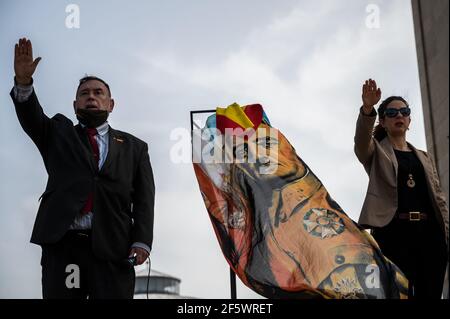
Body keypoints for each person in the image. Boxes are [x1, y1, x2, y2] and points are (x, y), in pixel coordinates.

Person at [194, 103, 408, 299]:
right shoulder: (259, 212)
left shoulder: (298, 178)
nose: (260, 154)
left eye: (266, 144)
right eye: (246, 150)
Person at [10, 38, 155, 299]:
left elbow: (145, 199)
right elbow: (31, 117)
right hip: (64, 246)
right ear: (75, 105)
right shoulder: (57, 133)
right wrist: (23, 84)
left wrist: (142, 240)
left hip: (114, 248)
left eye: (99, 93)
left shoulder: (135, 147)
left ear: (111, 104)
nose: (91, 97)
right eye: (84, 93)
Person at [355, 78, 449, 298]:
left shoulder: (425, 158)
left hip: (430, 236)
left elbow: (439, 199)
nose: (399, 115)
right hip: (393, 234)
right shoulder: (375, 152)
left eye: (404, 112)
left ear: (409, 120)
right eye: (392, 113)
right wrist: (367, 108)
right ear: (383, 122)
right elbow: (361, 142)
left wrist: (446, 236)